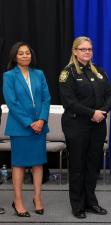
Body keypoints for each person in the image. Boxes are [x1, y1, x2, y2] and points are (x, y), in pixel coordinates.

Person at [59, 36, 111, 219]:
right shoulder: (67, 74)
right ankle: (77, 205)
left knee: (93, 166)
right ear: (75, 52)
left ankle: (91, 202)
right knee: (77, 167)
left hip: (98, 126)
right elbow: (69, 102)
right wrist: (93, 113)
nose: (87, 52)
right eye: (83, 49)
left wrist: (103, 112)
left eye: (89, 49)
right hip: (77, 125)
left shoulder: (99, 72)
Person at [3, 42, 51, 217]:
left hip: (40, 127)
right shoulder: (9, 76)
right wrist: (30, 122)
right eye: (21, 53)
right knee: (19, 165)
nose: (25, 56)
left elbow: (47, 99)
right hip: (21, 127)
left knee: (38, 163)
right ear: (15, 57)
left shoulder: (39, 74)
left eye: (27, 53)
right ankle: (18, 201)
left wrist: (41, 119)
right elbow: (12, 102)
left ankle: (37, 198)